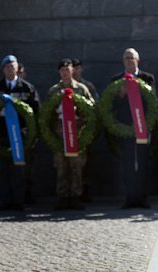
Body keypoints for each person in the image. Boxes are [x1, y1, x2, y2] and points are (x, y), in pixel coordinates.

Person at [0, 54, 40, 211]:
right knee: (3, 169)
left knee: (19, 169)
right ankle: (6, 200)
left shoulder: (27, 88)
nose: (10, 69)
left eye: (13, 66)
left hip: (19, 134)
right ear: (2, 70)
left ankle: (18, 201)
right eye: (7, 67)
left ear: (17, 69)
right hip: (1, 133)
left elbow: (35, 110)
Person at [110, 48, 156, 208]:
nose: (129, 61)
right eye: (126, 58)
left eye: (132, 58)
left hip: (143, 126)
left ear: (138, 60)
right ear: (123, 61)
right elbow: (112, 105)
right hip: (125, 127)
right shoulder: (116, 80)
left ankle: (143, 197)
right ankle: (130, 197)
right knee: (127, 164)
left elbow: (153, 102)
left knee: (143, 163)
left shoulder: (147, 78)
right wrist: (120, 95)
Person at [47, 59, 95, 210]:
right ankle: (62, 197)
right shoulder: (54, 90)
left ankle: (75, 196)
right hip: (60, 134)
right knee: (61, 166)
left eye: (67, 70)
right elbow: (47, 113)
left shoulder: (81, 88)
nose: (65, 73)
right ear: (59, 72)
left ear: (73, 71)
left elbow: (91, 109)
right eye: (62, 70)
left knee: (76, 166)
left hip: (77, 133)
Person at [72, 58, 99, 203]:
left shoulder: (87, 87)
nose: (75, 71)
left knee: (86, 162)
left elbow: (95, 106)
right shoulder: (61, 88)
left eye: (77, 68)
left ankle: (85, 190)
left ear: (81, 69)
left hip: (83, 130)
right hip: (66, 131)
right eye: (73, 68)